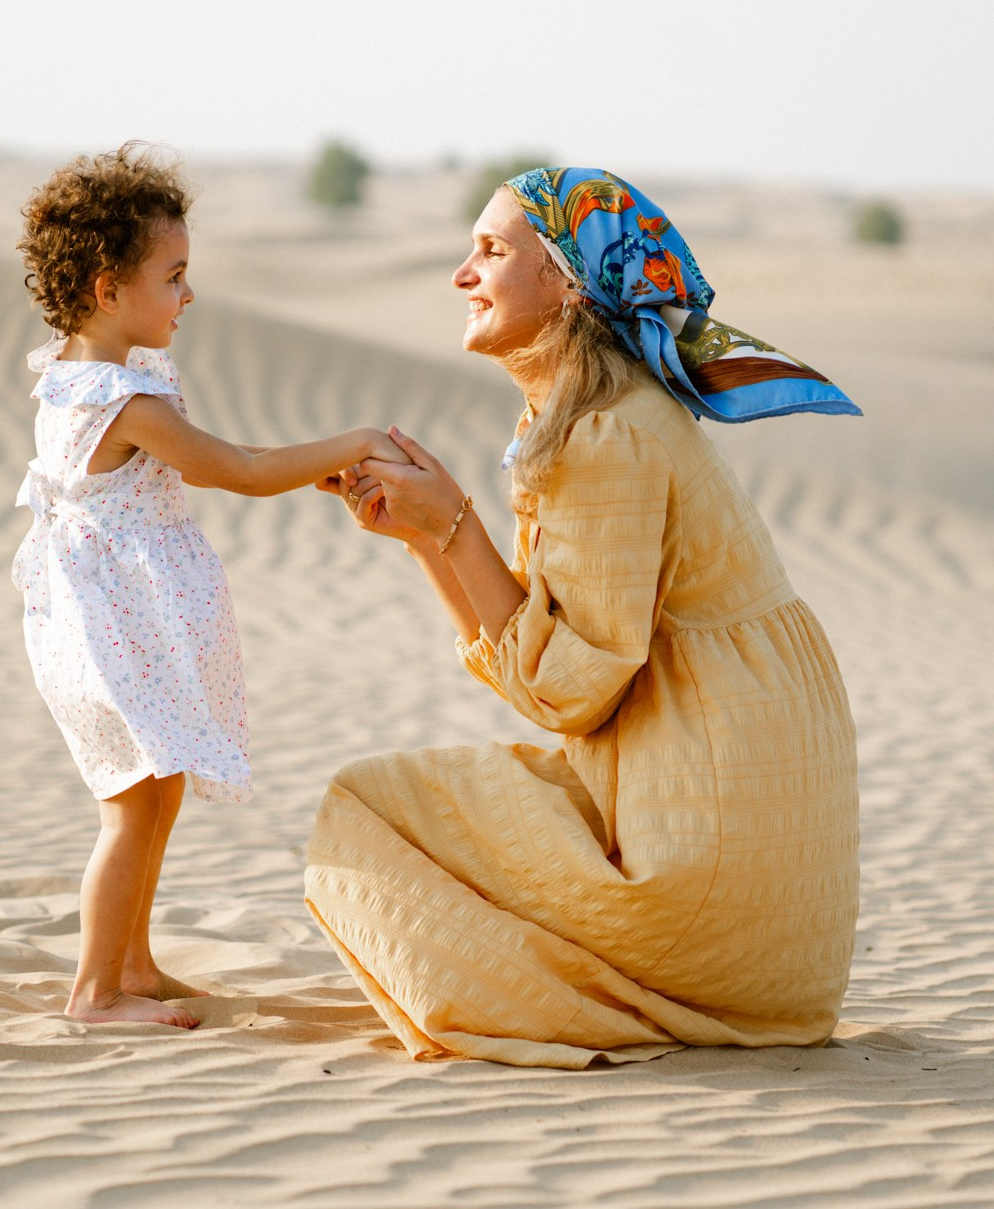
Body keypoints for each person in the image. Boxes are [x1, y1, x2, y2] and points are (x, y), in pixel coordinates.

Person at [307, 166, 863, 1067]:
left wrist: (452, 524)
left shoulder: (603, 438)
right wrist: (429, 534)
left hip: (702, 893)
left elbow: (567, 694)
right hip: (778, 937)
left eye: (490, 251)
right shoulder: (616, 418)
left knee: (365, 808)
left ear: (564, 283)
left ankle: (615, 1000)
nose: (462, 274)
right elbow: (557, 666)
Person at [12, 144, 409, 1028]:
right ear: (108, 287)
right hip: (108, 631)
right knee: (129, 806)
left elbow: (226, 467)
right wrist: (351, 444)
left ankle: (135, 966)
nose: (188, 295)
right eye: (174, 276)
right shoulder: (118, 400)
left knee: (161, 787)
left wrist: (313, 467)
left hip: (119, 620)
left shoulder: (95, 379)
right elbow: (241, 468)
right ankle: (96, 992)